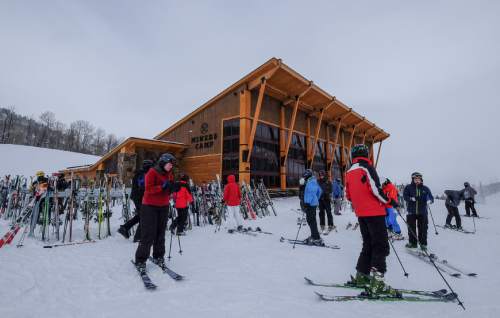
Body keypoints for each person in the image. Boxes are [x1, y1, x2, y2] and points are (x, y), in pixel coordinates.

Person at [345, 144, 395, 296]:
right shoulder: (367, 167)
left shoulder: (349, 171)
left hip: (361, 214)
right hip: (374, 212)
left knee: (368, 244)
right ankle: (377, 282)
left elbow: (348, 195)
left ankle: (362, 275)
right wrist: (389, 201)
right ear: (366, 154)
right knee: (380, 245)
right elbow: (375, 190)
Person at [134, 153, 176, 272]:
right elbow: (148, 189)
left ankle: (158, 256)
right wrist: (162, 187)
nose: (170, 167)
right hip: (149, 206)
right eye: (169, 164)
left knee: (160, 233)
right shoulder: (152, 172)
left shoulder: (169, 174)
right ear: (163, 162)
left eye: (172, 165)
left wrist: (172, 188)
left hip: (164, 206)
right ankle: (140, 260)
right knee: (148, 234)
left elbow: (169, 189)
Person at [118, 159, 154, 242]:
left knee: (141, 215)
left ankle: (125, 227)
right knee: (144, 216)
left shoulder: (141, 173)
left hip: (138, 197)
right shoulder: (143, 174)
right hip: (140, 197)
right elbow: (143, 186)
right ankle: (137, 236)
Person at [403, 172, 434, 251]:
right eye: (415, 179)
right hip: (411, 212)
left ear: (421, 179)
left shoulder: (425, 188)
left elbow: (431, 198)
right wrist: (411, 199)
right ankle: (413, 243)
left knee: (423, 228)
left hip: (422, 212)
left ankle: (423, 244)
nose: (417, 180)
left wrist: (429, 201)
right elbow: (405, 196)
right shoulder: (408, 187)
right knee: (411, 228)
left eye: (418, 179)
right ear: (413, 179)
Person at [302, 169, 323, 246]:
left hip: (310, 204)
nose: (304, 177)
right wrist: (316, 198)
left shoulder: (310, 182)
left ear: (308, 175)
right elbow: (319, 191)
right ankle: (314, 235)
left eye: (305, 175)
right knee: (311, 220)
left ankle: (316, 237)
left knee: (311, 220)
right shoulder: (313, 181)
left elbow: (310, 193)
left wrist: (308, 202)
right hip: (312, 203)